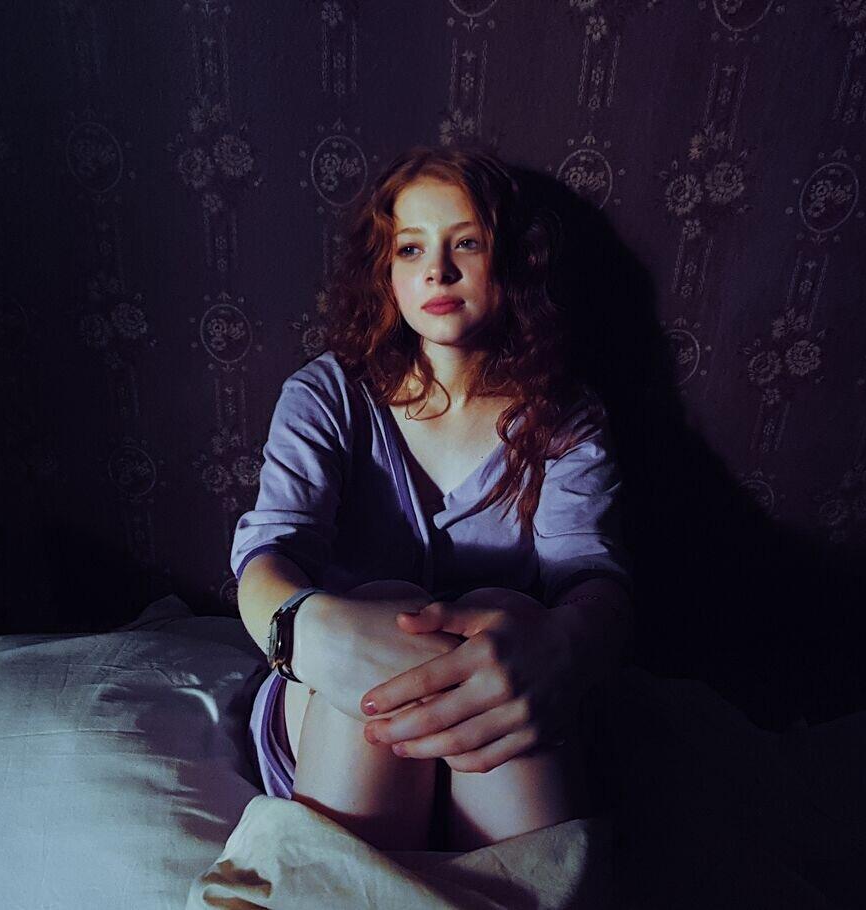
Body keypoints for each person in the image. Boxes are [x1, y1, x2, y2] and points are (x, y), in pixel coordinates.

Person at [232, 146, 633, 853]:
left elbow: (590, 579)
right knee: (385, 606)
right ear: (385, 271)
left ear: (512, 260)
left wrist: (563, 645)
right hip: (343, 697)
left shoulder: (563, 415)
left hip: (500, 710)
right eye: (411, 247)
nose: (437, 271)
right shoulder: (327, 395)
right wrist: (315, 630)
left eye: (466, 244)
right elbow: (270, 555)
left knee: (504, 615)